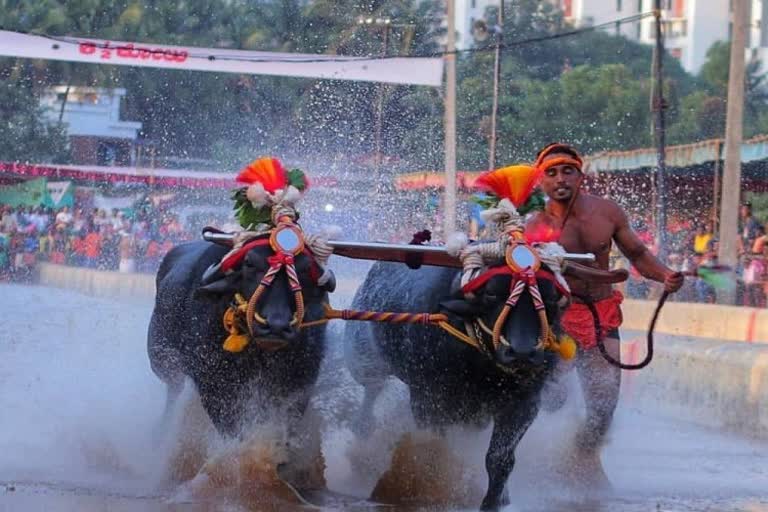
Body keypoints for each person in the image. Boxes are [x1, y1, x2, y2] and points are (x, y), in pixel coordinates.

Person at [527, 143, 684, 487]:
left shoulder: (608, 212)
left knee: (603, 403)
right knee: (552, 398)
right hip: (557, 319)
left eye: (568, 170)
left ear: (581, 176)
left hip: (602, 313)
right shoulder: (533, 225)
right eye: (551, 173)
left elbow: (638, 253)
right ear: (541, 181)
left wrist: (664, 276)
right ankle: (535, 461)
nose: (560, 179)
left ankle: (583, 457)